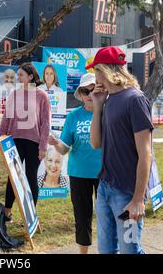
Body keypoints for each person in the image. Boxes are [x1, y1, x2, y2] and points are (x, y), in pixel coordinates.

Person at [88, 46, 153, 254]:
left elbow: (146, 153)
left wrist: (137, 199)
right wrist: (97, 107)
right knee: (106, 251)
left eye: (95, 70)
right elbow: (95, 143)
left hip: (127, 194)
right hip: (105, 188)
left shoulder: (135, 100)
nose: (94, 76)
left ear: (103, 71)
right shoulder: (108, 100)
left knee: (130, 251)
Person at [48, 73, 102, 254]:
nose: (89, 94)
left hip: (105, 173)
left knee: (106, 216)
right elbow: (64, 149)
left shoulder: (108, 113)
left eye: (93, 90)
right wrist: (55, 142)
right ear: (80, 93)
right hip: (79, 174)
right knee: (82, 217)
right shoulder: (73, 117)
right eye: (85, 90)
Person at [0, 63, 51, 221]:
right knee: (13, 177)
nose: (18, 77)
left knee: (30, 177)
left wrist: (43, 146)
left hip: (34, 143)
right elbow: (6, 118)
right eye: (18, 74)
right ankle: (7, 212)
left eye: (21, 74)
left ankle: (31, 216)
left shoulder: (42, 96)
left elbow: (45, 123)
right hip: (15, 141)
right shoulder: (14, 94)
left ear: (31, 77)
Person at [11, 157, 35, 227]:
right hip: (17, 147)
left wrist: (43, 148)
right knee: (11, 180)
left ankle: (30, 218)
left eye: (20, 171)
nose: (20, 174)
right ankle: (7, 214)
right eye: (18, 172)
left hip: (34, 147)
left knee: (32, 177)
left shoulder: (28, 193)